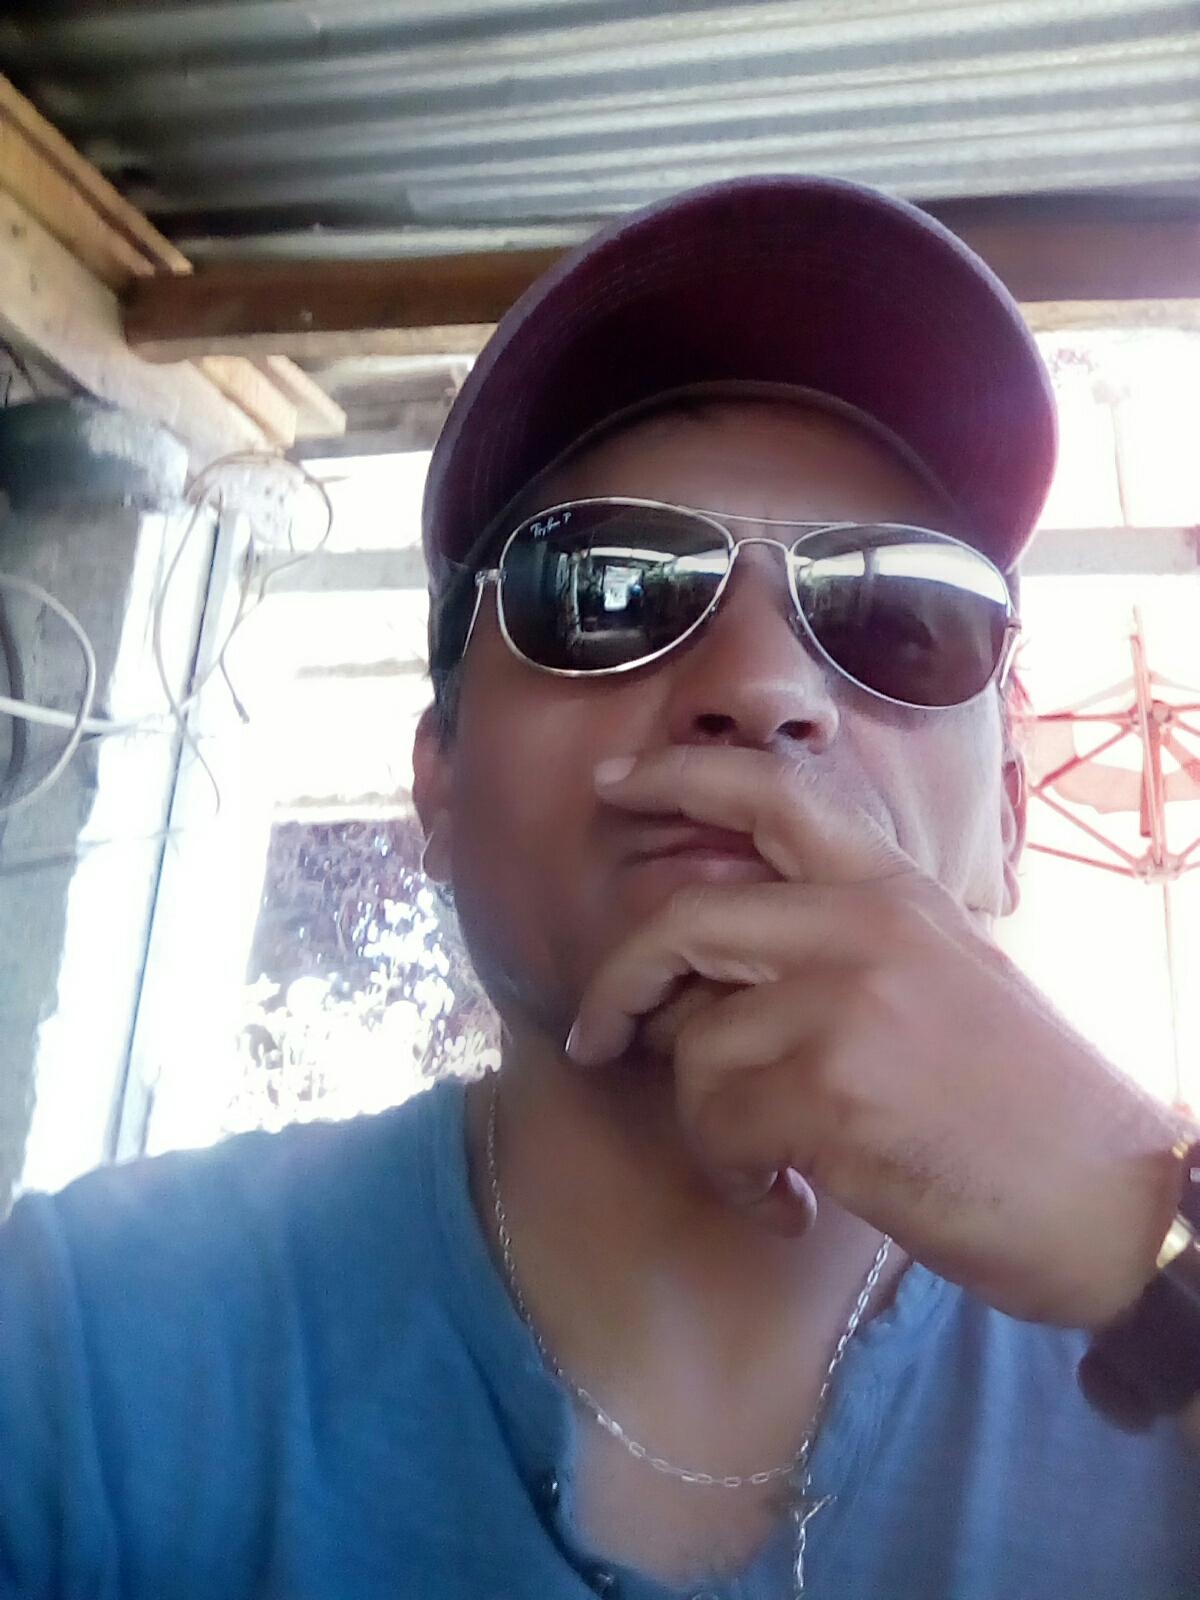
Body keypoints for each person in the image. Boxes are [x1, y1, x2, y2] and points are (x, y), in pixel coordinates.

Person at [2, 176, 1199, 1600]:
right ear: (438, 786)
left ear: (1008, 813)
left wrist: (1159, 1240)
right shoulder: (91, 1348)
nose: (761, 685)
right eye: (608, 589)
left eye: (895, 609)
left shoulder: (1162, 1331)